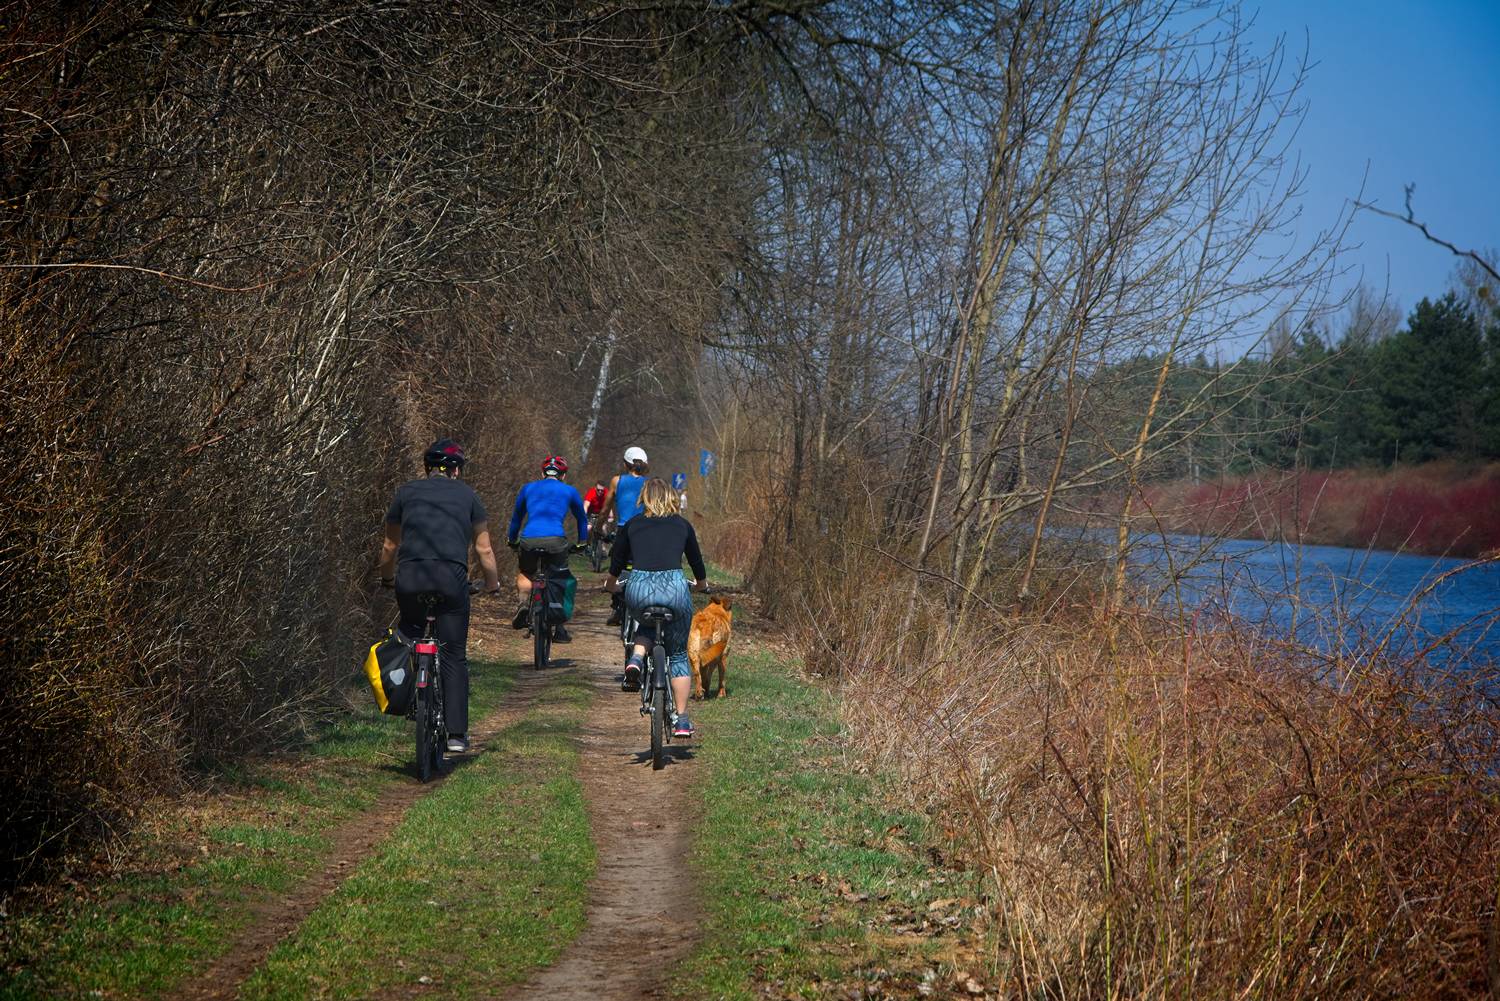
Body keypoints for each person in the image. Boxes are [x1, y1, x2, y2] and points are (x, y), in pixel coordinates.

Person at [378, 439, 502, 755]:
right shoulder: (469, 496)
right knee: (452, 654)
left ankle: (408, 697)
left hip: (411, 579)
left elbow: (390, 547)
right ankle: (457, 735)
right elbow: (484, 548)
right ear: (456, 469)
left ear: (427, 468)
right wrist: (492, 585)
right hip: (451, 581)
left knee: (408, 636)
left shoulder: (405, 494)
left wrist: (387, 578)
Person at [603, 477, 708, 738]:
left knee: (645, 623)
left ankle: (636, 658)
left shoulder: (632, 524)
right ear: (671, 498)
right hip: (674, 587)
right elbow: (696, 561)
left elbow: (617, 560)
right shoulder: (683, 525)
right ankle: (682, 720)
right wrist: (701, 585)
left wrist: (611, 584)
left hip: (640, 588)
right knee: (679, 655)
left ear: (645, 499)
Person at [507, 455, 588, 642]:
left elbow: (516, 518)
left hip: (529, 540)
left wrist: (512, 540)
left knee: (526, 572)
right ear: (564, 475)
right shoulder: (570, 491)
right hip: (556, 541)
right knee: (558, 578)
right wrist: (582, 542)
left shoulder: (527, 488)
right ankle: (559, 628)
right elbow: (582, 519)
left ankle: (522, 604)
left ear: (542, 472)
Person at [604, 446, 649, 626]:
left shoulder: (617, 481)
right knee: (643, 566)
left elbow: (606, 507)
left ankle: (617, 608)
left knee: (618, 565)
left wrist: (599, 526)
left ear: (626, 464)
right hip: (644, 531)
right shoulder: (649, 483)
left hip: (623, 530)